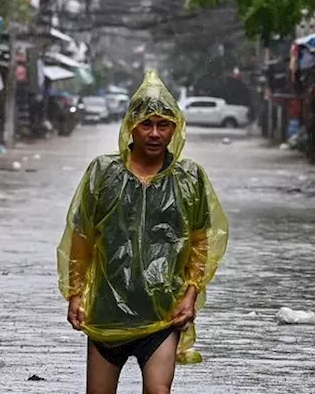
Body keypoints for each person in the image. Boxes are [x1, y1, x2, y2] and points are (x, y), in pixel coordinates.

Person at [59, 71, 228, 394]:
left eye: (163, 125)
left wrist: (190, 296)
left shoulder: (189, 178)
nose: (154, 133)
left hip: (163, 312)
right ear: (130, 128)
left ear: (174, 129)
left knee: (158, 390)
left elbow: (200, 243)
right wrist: (76, 295)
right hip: (107, 311)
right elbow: (81, 239)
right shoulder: (102, 173)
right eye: (146, 124)